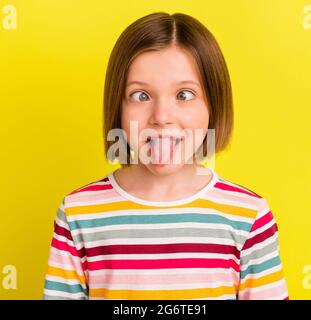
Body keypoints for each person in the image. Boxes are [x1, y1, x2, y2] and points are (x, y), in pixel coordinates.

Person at [43, 12, 288, 300]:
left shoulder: (249, 216)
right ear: (118, 107)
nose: (161, 117)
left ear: (213, 105)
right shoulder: (77, 214)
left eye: (184, 95)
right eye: (140, 96)